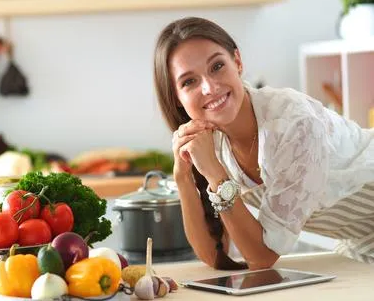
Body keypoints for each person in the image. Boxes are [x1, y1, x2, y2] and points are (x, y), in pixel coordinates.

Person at [153, 17, 374, 270]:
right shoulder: (209, 142)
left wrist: (216, 174)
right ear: (177, 98)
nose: (210, 87)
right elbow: (215, 255)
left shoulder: (294, 124)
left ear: (237, 62)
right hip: (360, 241)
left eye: (216, 66)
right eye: (189, 81)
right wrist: (182, 176)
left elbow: (262, 257)